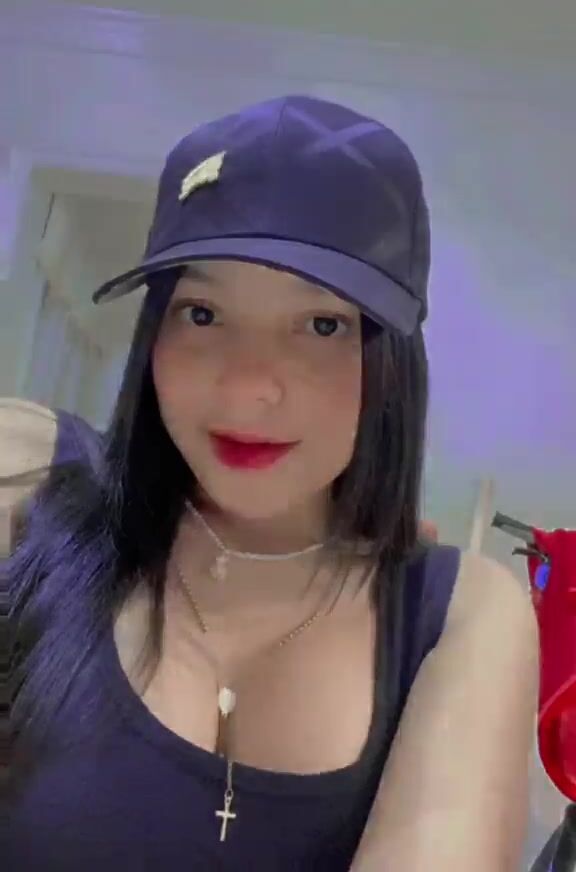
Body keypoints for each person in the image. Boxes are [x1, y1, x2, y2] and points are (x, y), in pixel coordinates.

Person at [4, 95, 539, 870]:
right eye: (201, 313)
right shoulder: (29, 486)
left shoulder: (458, 615)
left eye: (322, 324)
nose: (249, 388)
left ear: (393, 360)